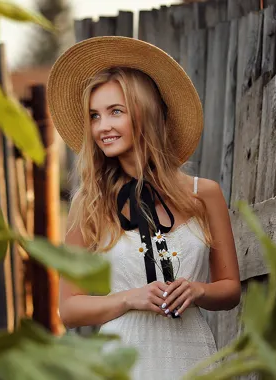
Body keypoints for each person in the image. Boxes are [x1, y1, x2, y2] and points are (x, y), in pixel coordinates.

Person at [46, 36, 241, 379]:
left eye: (115, 112)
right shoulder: (89, 203)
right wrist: (129, 298)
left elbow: (230, 289)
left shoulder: (204, 194)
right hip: (122, 362)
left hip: (193, 358)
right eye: (94, 116)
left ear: (145, 113)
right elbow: (70, 308)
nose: (102, 127)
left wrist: (198, 290)